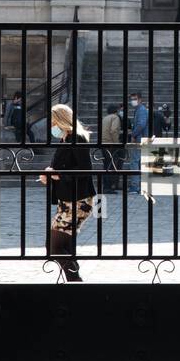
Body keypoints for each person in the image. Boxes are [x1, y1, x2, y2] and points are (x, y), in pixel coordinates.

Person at [40, 104, 95, 282]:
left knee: (54, 246)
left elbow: (85, 169)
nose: (51, 126)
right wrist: (49, 173)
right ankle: (74, 281)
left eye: (53, 122)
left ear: (61, 120)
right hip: (66, 201)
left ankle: (75, 281)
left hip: (78, 200)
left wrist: (59, 175)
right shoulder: (65, 138)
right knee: (62, 245)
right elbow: (63, 166)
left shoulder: (76, 137)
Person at [100, 102, 124, 192]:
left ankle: (106, 186)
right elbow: (114, 130)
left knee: (106, 165)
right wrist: (117, 143)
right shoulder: (115, 117)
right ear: (116, 110)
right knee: (111, 165)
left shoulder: (105, 118)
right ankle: (108, 187)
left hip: (103, 143)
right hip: (110, 144)